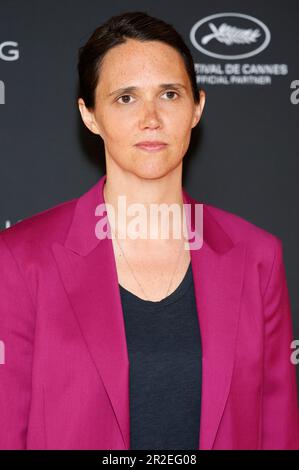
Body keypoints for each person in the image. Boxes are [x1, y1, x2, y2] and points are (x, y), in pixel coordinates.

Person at [0, 11, 299, 450]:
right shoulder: (21, 259)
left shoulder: (258, 256)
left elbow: (279, 433)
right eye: (125, 98)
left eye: (170, 94)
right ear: (89, 115)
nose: (151, 117)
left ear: (196, 107)